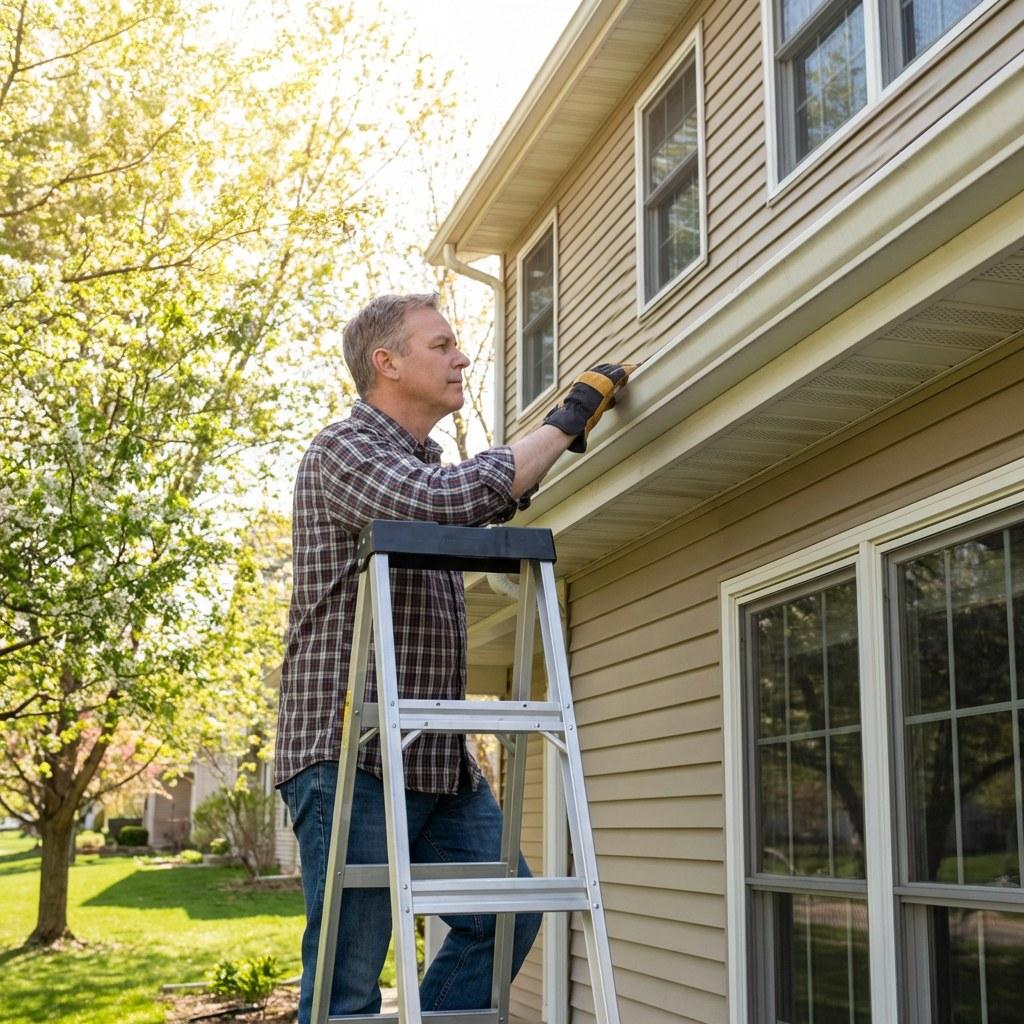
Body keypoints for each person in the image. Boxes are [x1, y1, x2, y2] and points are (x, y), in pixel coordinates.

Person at [275, 292, 632, 1022]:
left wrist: (555, 441)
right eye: (441, 345)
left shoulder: (423, 465)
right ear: (387, 362)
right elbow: (445, 499)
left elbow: (476, 496)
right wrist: (565, 420)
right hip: (351, 748)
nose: (461, 357)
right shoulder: (344, 451)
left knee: (506, 914)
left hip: (432, 752)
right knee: (347, 981)